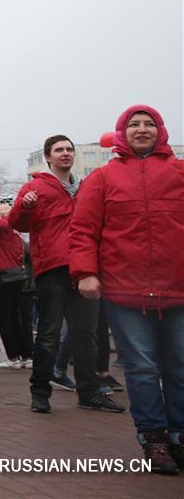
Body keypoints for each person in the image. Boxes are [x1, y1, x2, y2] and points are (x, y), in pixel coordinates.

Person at [70, 105, 183, 474]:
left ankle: (180, 435)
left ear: (160, 131)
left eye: (149, 124)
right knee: (143, 367)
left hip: (178, 289)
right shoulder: (102, 178)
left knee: (181, 366)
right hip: (126, 292)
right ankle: (154, 437)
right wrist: (86, 273)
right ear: (122, 133)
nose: (142, 129)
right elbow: (84, 230)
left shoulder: (180, 172)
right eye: (133, 124)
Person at [9, 134, 124, 416]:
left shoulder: (88, 187)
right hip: (53, 269)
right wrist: (26, 206)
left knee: (87, 335)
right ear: (48, 157)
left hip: (86, 269)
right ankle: (40, 392)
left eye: (69, 149)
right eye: (59, 150)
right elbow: (16, 222)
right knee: (48, 333)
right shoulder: (34, 187)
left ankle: (89, 393)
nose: (65, 154)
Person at [0, 205, 33, 369]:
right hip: (17, 276)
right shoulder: (16, 232)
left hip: (3, 276)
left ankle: (13, 356)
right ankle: (26, 355)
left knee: (3, 317)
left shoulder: (5, 225)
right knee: (15, 316)